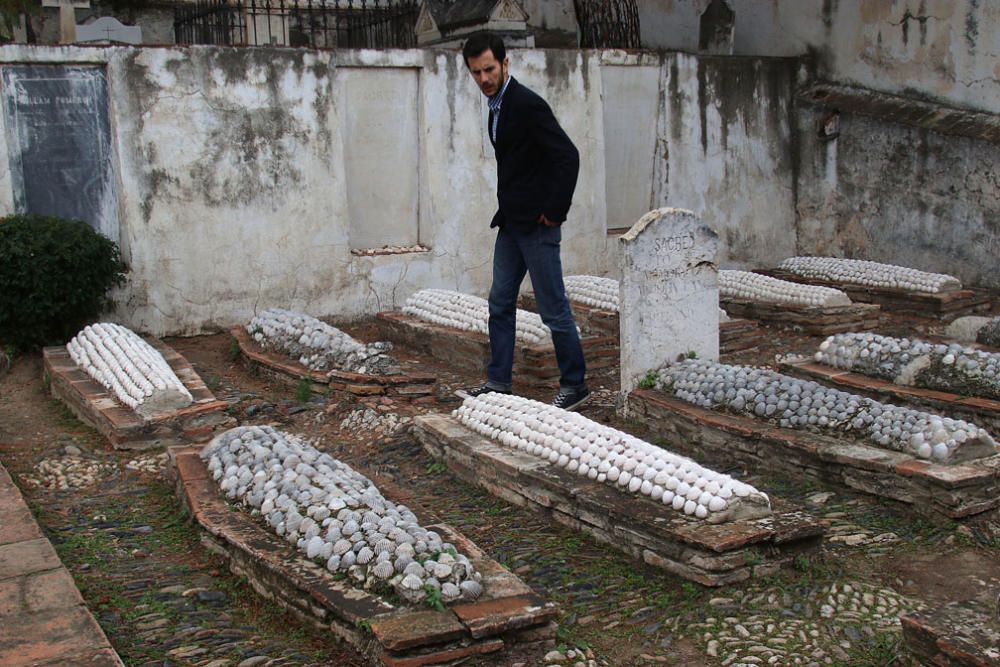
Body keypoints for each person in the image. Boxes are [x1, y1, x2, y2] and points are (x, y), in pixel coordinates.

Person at [459, 32, 590, 411]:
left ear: (504, 64)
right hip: (511, 224)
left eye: (488, 69)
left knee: (553, 308)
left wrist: (555, 211)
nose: (483, 79)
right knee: (499, 301)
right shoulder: (497, 106)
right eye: (476, 73)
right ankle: (498, 381)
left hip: (537, 224)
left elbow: (568, 156)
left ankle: (575, 384)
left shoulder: (526, 104)